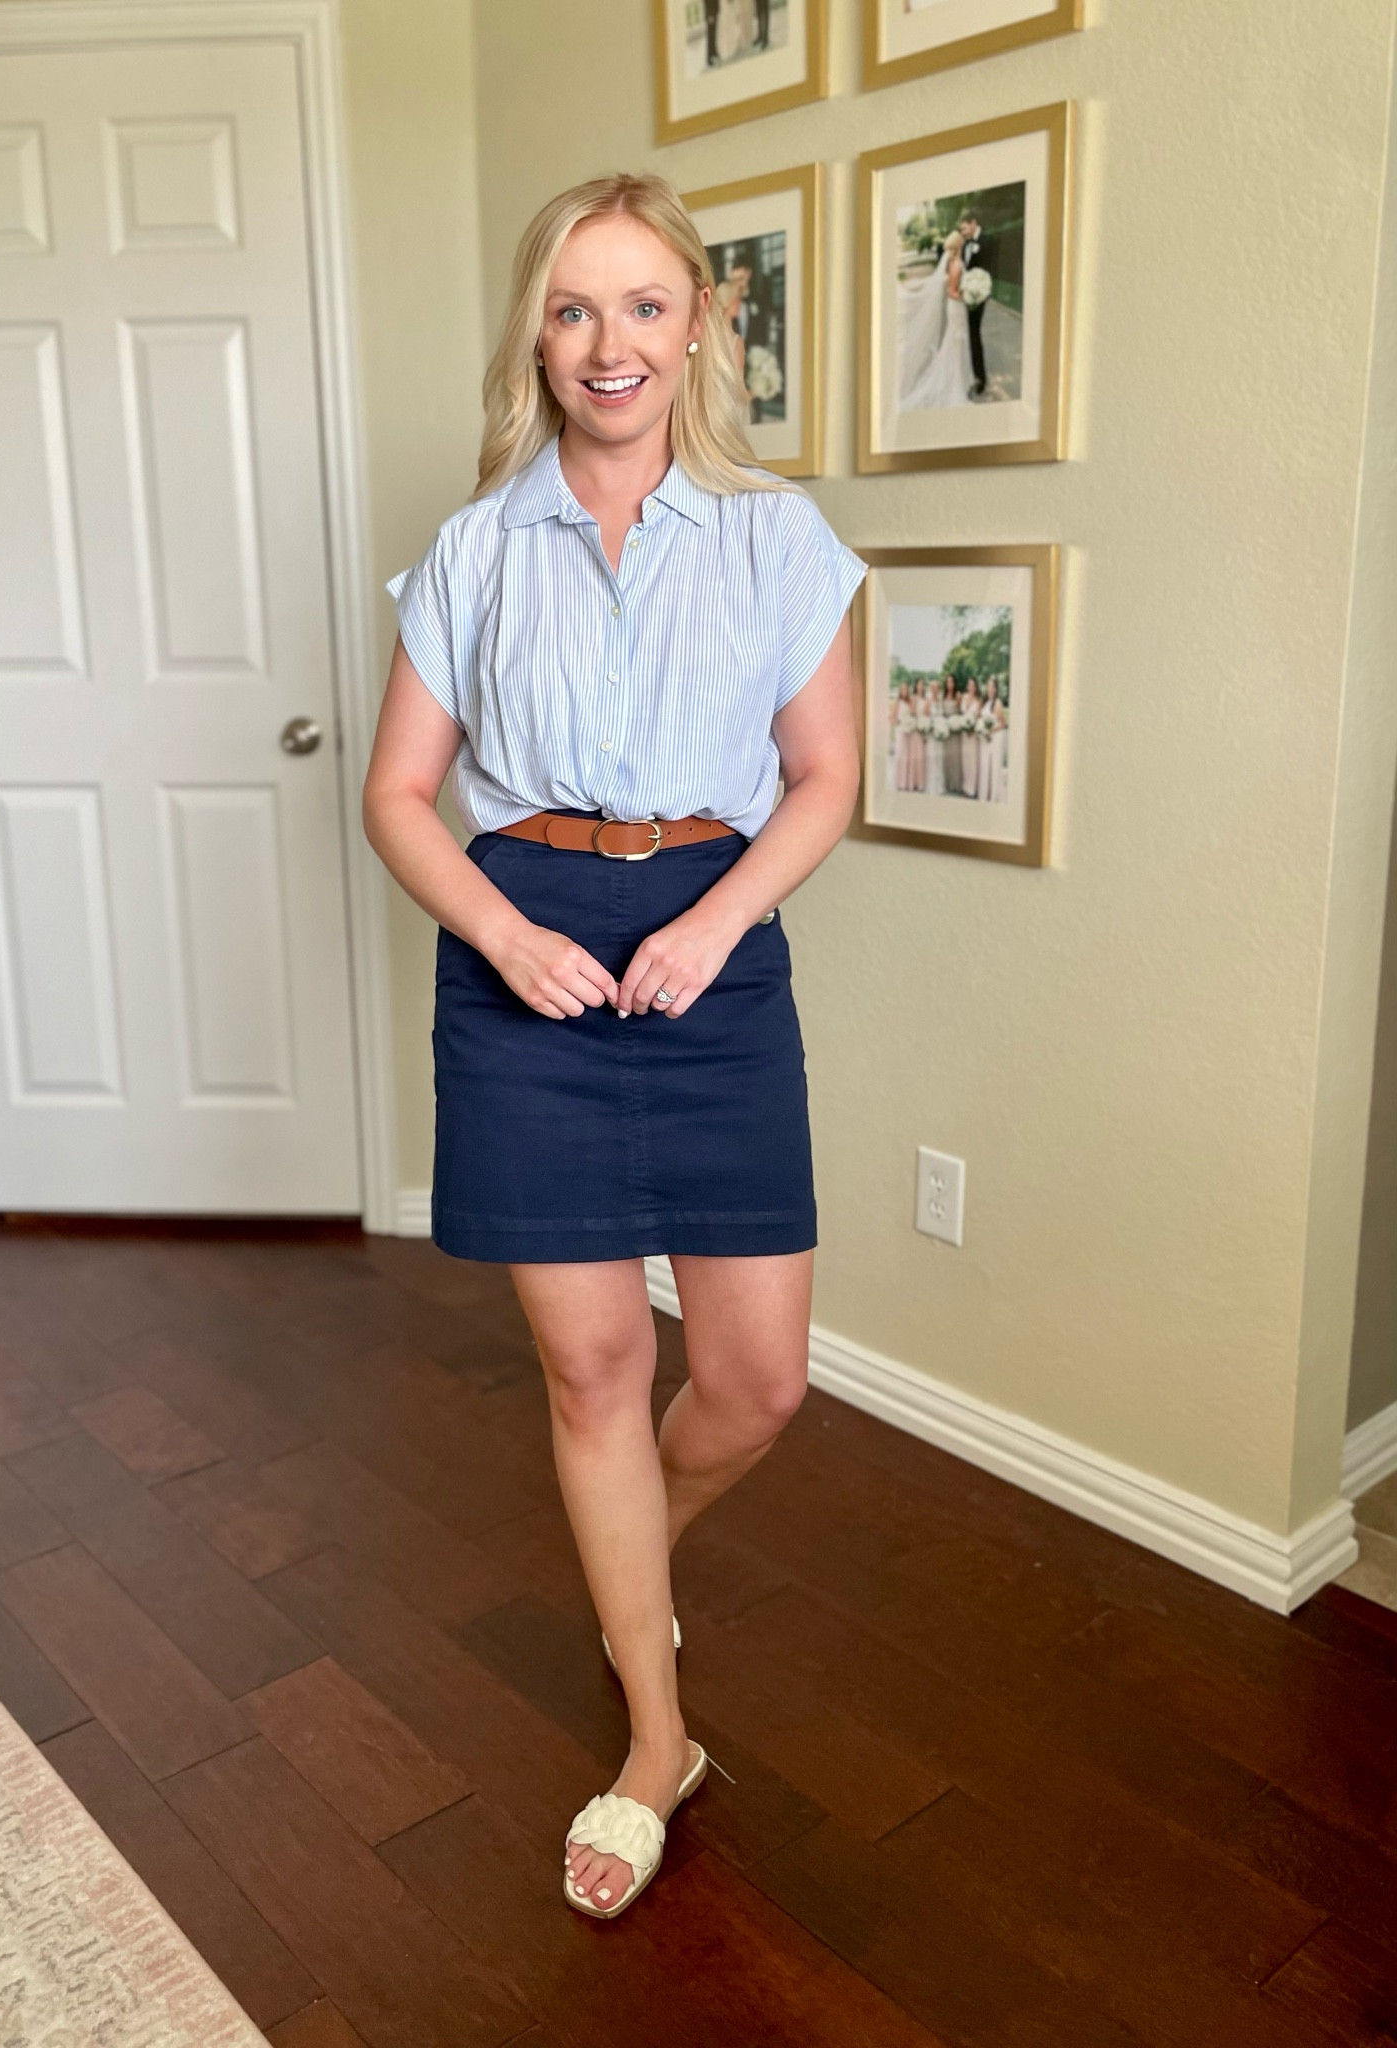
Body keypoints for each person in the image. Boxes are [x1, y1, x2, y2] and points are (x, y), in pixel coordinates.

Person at [363, 172, 862, 1921]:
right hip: (523, 956)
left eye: (644, 304)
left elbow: (824, 778)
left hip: (710, 946)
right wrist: (502, 938)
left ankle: (628, 1567)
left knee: (753, 1381)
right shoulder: (475, 549)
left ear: (699, 327)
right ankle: (657, 1733)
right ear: (538, 336)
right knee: (590, 1376)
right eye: (575, 308)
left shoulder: (779, 540)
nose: (609, 342)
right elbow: (400, 794)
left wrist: (714, 923)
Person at [897, 227, 974, 412]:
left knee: (955, 341)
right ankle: (953, 382)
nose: (963, 243)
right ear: (959, 245)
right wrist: (969, 295)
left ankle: (957, 379)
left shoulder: (952, 261)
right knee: (956, 342)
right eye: (961, 242)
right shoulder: (956, 264)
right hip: (956, 306)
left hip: (953, 306)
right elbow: (952, 291)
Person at [958, 213, 990, 397]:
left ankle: (980, 378)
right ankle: (972, 373)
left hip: (979, 296)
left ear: (974, 223)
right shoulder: (965, 244)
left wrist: (982, 293)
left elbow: (989, 270)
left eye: (965, 228)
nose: (963, 232)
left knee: (974, 334)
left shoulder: (987, 241)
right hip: (967, 295)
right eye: (961, 229)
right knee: (969, 335)